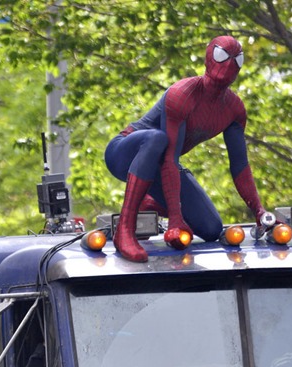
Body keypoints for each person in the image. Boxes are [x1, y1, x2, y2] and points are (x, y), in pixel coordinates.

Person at [104, 35, 268, 263]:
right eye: (222, 55)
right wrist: (175, 218)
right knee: (157, 139)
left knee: (211, 228)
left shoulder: (234, 110)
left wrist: (259, 211)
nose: (228, 63)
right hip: (125, 154)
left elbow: (240, 165)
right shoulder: (182, 94)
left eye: (236, 58)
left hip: (161, 168)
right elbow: (170, 158)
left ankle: (148, 201)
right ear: (209, 57)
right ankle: (125, 228)